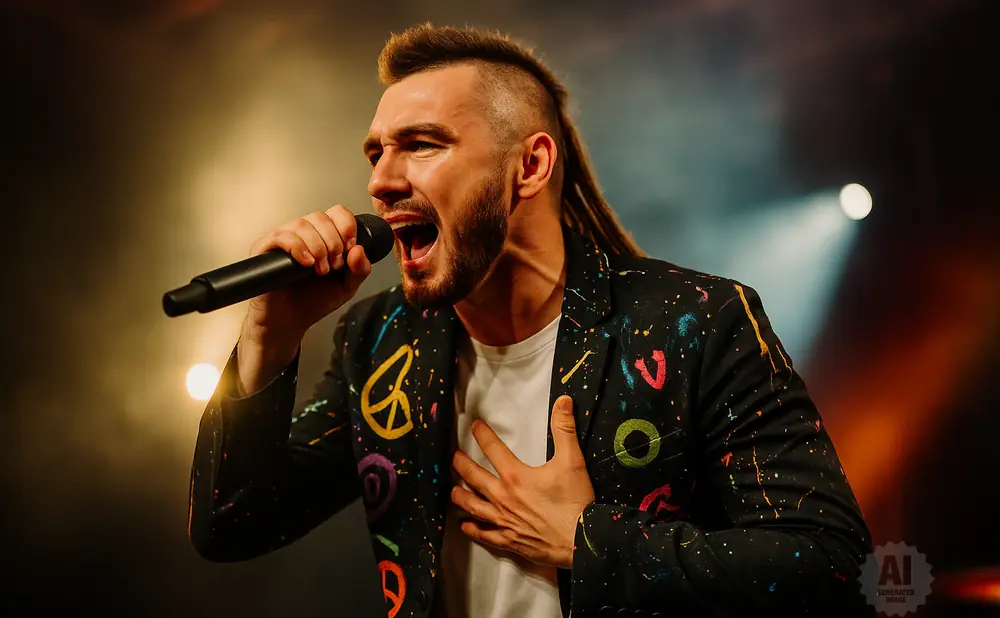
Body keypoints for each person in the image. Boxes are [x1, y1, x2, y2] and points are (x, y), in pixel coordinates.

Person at [188, 23, 874, 618]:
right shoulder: (379, 339)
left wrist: (586, 541)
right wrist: (268, 337)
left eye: (422, 144)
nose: (381, 180)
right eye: (376, 151)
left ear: (530, 165)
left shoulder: (694, 322)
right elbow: (232, 525)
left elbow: (831, 566)